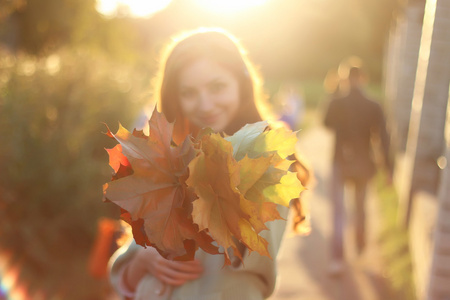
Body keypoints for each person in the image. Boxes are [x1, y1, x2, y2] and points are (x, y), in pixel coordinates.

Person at [108, 28, 311, 300]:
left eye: (217, 87)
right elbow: (126, 268)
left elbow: (250, 256)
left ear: (241, 83)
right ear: (174, 97)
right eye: (189, 92)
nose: (205, 104)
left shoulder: (265, 156)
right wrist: (143, 262)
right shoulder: (166, 156)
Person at [323, 58, 393, 276]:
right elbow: (383, 137)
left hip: (340, 161)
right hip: (364, 163)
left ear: (344, 79)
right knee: (360, 207)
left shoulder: (337, 102)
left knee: (338, 212)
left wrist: (334, 93)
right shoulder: (373, 105)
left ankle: (337, 258)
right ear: (363, 78)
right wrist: (389, 168)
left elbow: (324, 123)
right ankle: (360, 244)